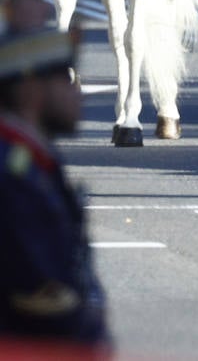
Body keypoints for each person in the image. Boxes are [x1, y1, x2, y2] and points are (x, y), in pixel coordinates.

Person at [0, 30, 108, 352]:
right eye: (65, 80)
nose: (78, 93)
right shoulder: (16, 178)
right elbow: (42, 295)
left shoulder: (32, 161)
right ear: (32, 91)